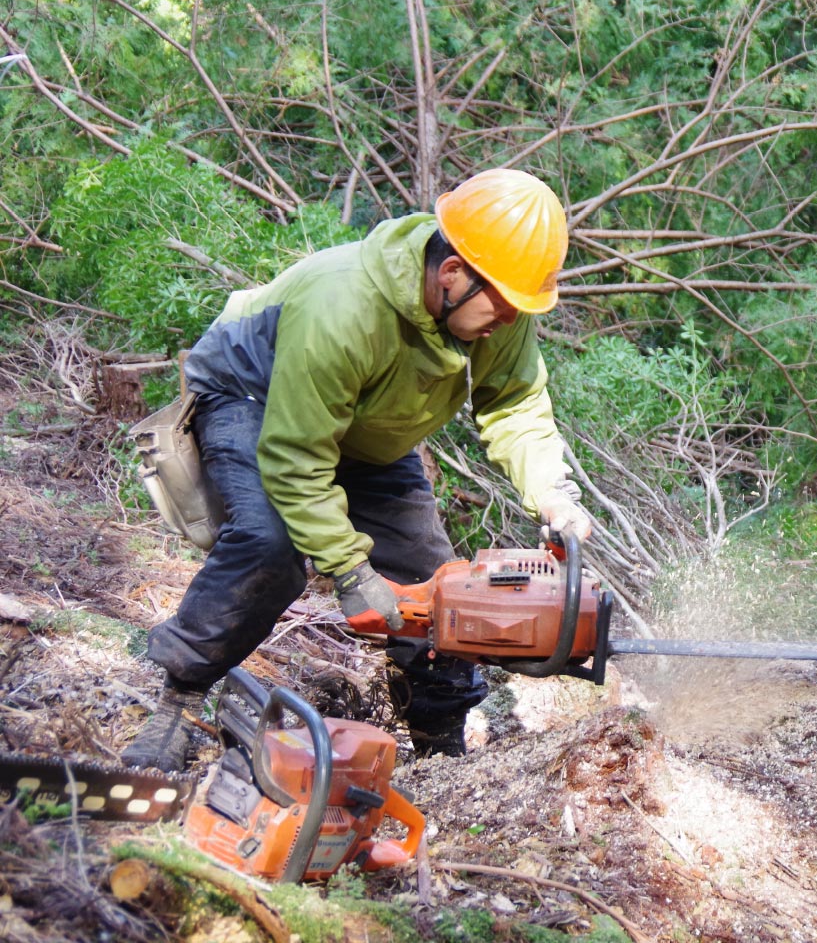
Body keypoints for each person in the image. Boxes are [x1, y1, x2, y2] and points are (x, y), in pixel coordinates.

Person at [121, 169, 592, 772]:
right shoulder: (343, 307)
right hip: (255, 394)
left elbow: (515, 402)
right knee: (274, 540)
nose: (508, 320)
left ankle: (440, 730)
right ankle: (179, 694)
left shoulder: (498, 304)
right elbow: (296, 456)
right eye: (502, 305)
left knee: (442, 583)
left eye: (519, 307)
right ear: (452, 274)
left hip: (365, 422)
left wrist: (552, 495)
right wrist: (350, 570)